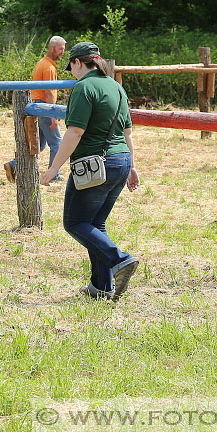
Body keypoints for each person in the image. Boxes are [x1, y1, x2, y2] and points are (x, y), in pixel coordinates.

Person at [40, 41, 140, 301]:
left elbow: (75, 132)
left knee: (75, 223)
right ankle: (101, 287)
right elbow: (127, 132)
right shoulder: (116, 87)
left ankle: (120, 260)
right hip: (121, 162)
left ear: (77, 62)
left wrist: (53, 168)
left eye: (71, 66)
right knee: (95, 224)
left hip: (95, 164)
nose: (71, 72)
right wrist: (133, 166)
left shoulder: (84, 87)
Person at [5, 35, 66, 183]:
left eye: (63, 49)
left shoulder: (42, 63)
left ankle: (14, 164)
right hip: (44, 106)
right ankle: (54, 176)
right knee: (57, 143)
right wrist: (53, 115)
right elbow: (49, 92)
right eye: (60, 49)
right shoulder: (49, 67)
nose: (62, 52)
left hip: (38, 104)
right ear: (51, 48)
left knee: (39, 143)